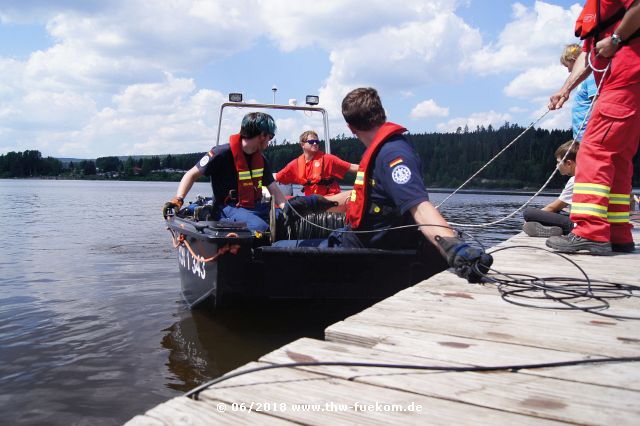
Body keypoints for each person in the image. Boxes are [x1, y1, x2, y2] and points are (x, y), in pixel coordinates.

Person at [333, 87, 492, 283]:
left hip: (363, 254)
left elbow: (419, 206)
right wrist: (314, 203)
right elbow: (361, 198)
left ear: (351, 128)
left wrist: (454, 247)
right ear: (381, 114)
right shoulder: (381, 151)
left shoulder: (392, 155)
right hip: (351, 241)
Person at [546, 0, 640, 254]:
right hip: (625, 86)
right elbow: (589, 55)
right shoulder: (595, 9)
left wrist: (617, 40)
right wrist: (565, 90)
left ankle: (590, 232)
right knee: (618, 158)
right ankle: (617, 232)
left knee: (593, 153)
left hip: (625, 80)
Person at [162, 112, 287, 232]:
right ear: (263, 135)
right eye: (270, 137)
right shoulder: (220, 153)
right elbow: (191, 174)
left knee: (285, 220)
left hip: (254, 207)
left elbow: (273, 189)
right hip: (226, 208)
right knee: (259, 227)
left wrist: (287, 210)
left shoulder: (261, 159)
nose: (269, 141)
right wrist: (178, 200)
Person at [275, 130, 359, 196]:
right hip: (312, 203)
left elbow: (351, 167)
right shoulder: (294, 164)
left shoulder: (328, 159)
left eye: (317, 142)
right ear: (302, 144)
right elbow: (277, 177)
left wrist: (370, 167)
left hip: (331, 200)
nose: (315, 143)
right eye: (311, 142)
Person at [523, 140, 579, 237]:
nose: (557, 166)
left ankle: (556, 229)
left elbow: (553, 207)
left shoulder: (575, 180)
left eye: (558, 162)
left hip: (576, 226)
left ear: (569, 163)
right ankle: (552, 229)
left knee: (528, 213)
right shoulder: (589, 176)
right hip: (587, 223)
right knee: (559, 212)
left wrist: (532, 218)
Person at [560, 43, 597, 141]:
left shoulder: (591, 77)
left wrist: (593, 132)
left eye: (568, 66)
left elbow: (596, 104)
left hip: (589, 135)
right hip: (580, 136)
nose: (568, 71)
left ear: (575, 61)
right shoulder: (582, 81)